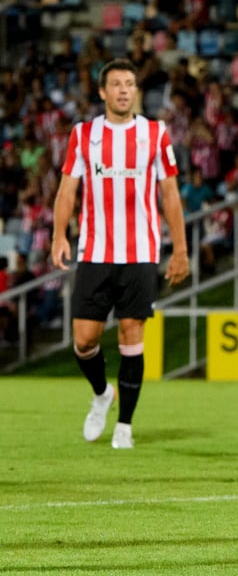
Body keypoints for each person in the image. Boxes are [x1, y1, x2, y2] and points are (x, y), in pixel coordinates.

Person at [51, 59, 190, 450]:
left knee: (132, 335)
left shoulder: (155, 133)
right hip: (94, 251)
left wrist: (179, 249)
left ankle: (125, 425)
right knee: (84, 339)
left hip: (141, 252)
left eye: (130, 84)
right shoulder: (83, 135)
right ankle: (101, 394)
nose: (124, 90)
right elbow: (67, 190)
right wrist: (59, 235)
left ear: (136, 91)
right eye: (116, 84)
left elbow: (170, 195)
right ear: (102, 92)